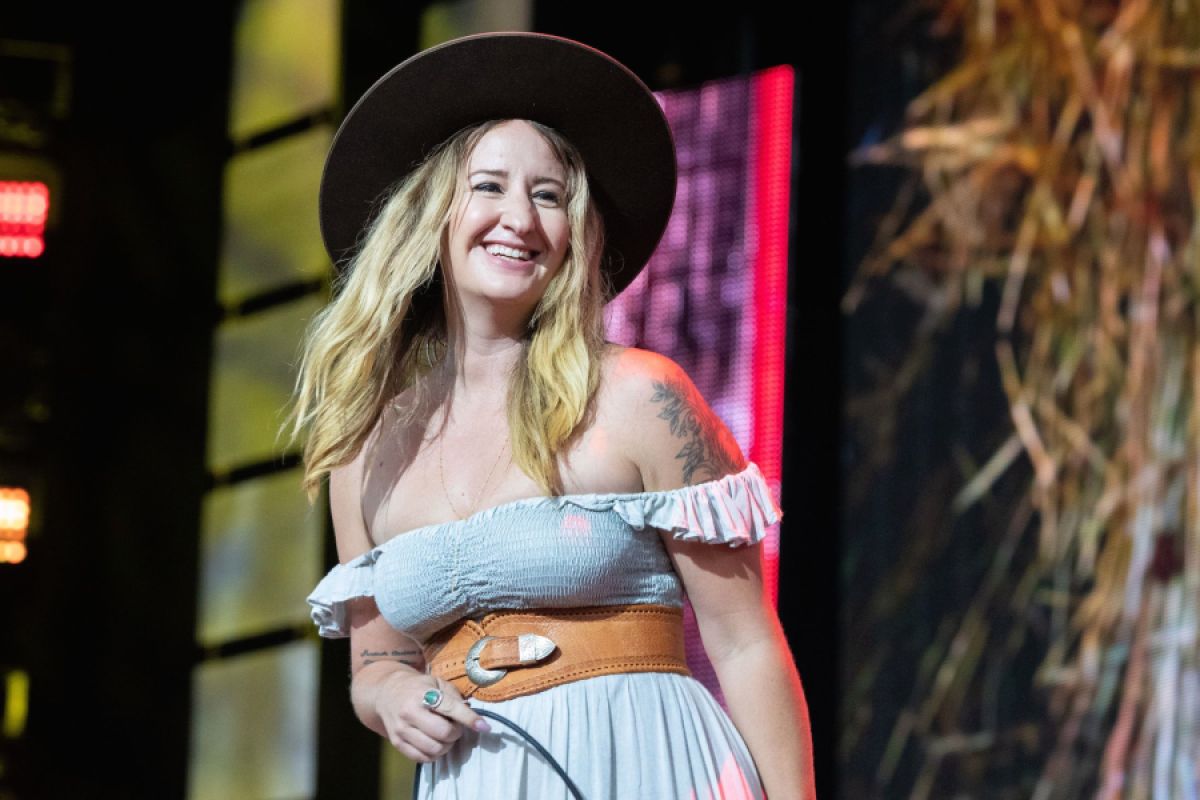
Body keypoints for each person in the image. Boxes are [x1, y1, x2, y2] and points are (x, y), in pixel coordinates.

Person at [284, 31, 815, 799]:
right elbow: (377, 663)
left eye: (549, 195)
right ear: (430, 214)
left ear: (577, 232)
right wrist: (392, 693)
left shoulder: (640, 397)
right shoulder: (365, 452)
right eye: (489, 186)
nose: (520, 219)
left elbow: (745, 644)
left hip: (647, 767)